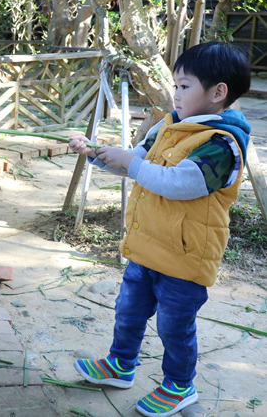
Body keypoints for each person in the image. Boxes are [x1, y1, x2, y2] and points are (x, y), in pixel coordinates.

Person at [68, 42, 252, 417]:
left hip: (185, 258)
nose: (176, 93)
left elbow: (179, 183)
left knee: (174, 326)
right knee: (129, 310)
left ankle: (179, 386)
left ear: (218, 93)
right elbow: (137, 161)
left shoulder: (222, 144)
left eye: (184, 86)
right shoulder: (169, 125)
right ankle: (121, 364)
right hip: (147, 246)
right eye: (175, 85)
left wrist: (132, 165)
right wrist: (98, 154)